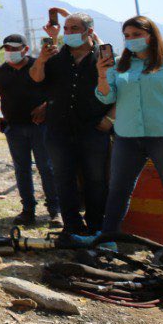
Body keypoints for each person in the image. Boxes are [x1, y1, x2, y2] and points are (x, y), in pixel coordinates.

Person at [96, 16, 163, 234]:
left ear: (151, 35)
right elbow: (106, 98)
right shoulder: (118, 65)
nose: (131, 40)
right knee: (118, 190)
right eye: (127, 36)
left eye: (137, 34)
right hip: (127, 137)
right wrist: (102, 75)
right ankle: (107, 240)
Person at [30, 12, 112, 237]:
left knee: (95, 180)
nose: (68, 33)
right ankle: (72, 227)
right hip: (58, 130)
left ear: (89, 31)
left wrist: (109, 120)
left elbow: (117, 90)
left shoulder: (102, 57)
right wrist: (42, 59)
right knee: (63, 179)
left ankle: (96, 227)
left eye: (74, 28)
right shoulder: (55, 57)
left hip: (93, 129)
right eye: (66, 28)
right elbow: (36, 78)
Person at [0, 34, 59, 226]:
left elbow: (57, 91)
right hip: (14, 128)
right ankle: (28, 210)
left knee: (47, 168)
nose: (10, 52)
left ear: (25, 49)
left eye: (14, 48)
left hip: (40, 127)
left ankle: (55, 211)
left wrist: (46, 107)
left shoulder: (40, 65)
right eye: (7, 49)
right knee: (22, 170)